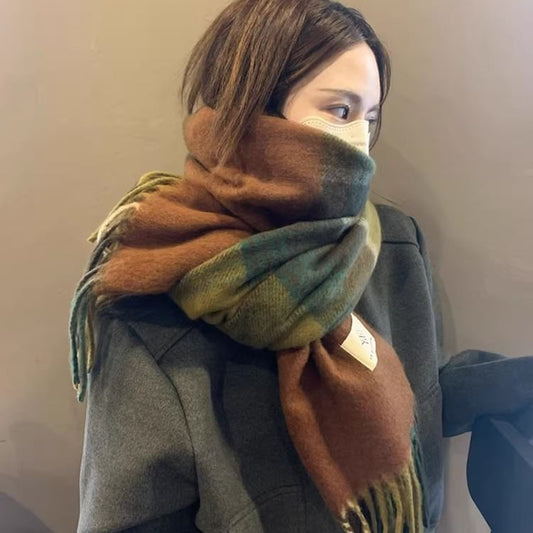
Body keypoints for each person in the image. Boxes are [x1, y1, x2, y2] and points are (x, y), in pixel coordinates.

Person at [69, 1, 533, 532]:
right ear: (255, 111)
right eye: (340, 110)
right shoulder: (155, 300)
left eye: (370, 117)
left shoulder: (390, 244)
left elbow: (414, 388)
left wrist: (516, 383)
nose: (360, 141)